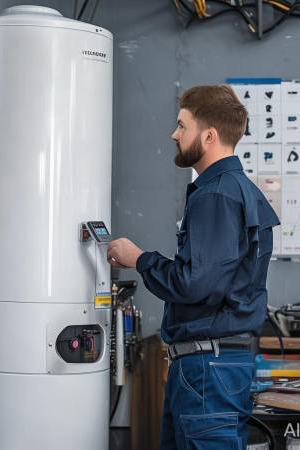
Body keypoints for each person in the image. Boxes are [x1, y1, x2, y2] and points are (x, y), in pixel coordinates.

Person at [107, 85, 280, 450]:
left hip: (206, 369)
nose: (174, 134)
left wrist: (139, 259)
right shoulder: (238, 190)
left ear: (209, 136)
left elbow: (193, 283)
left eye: (182, 126)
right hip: (211, 365)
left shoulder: (216, 195)